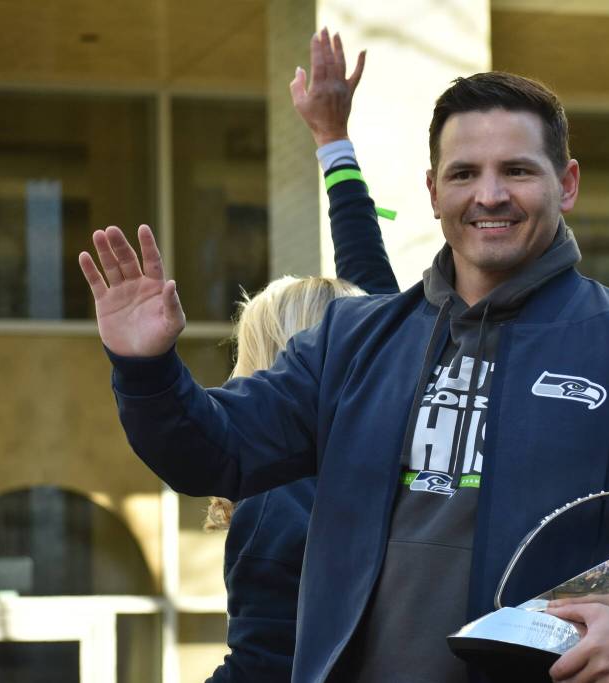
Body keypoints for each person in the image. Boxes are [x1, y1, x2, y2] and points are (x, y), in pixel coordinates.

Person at [78, 30, 609, 683]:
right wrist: (147, 370)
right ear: (432, 191)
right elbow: (214, 451)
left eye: (517, 170)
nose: (489, 195)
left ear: (566, 184)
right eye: (464, 173)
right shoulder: (353, 341)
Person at [204, 30, 399, 682]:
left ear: (262, 360)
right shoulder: (399, 441)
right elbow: (370, 288)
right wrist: (332, 141)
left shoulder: (277, 502)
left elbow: (262, 666)